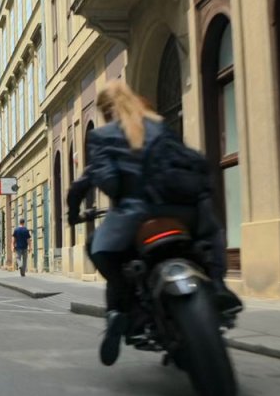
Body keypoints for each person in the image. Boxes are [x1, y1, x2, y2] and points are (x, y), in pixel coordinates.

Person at [67, 80, 243, 367]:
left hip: (135, 217)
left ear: (105, 110)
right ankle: (219, 286)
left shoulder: (102, 135)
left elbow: (107, 182)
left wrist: (75, 212)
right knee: (211, 236)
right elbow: (189, 162)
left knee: (98, 249)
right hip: (184, 211)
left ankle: (125, 310)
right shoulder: (159, 125)